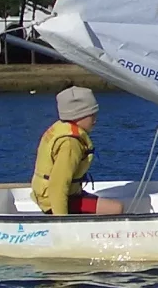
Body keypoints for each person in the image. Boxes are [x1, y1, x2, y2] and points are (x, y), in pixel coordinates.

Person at [30, 86, 126, 215]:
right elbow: (58, 185)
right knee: (116, 208)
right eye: (92, 115)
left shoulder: (61, 128)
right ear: (78, 116)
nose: (95, 120)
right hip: (51, 200)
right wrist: (61, 220)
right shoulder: (70, 144)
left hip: (48, 194)